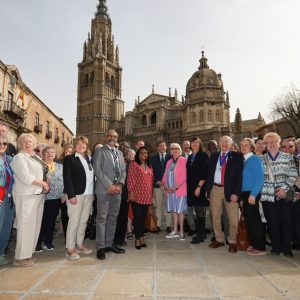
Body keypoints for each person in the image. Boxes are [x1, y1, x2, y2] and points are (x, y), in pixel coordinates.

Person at [11, 133, 50, 267]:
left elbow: (43, 172)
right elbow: (25, 177)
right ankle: (20, 257)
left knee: (34, 226)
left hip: (38, 195)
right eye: (25, 142)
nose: (28, 144)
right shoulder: (19, 157)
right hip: (26, 195)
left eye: (30, 141)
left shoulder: (35, 157)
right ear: (20, 144)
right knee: (25, 226)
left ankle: (28, 253)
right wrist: (43, 184)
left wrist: (45, 184)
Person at [261, 132, 298, 257]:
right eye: (268, 142)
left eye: (274, 142)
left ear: (279, 143)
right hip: (268, 195)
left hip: (285, 194)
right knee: (272, 222)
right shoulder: (261, 159)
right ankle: (276, 247)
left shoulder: (287, 158)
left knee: (286, 222)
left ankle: (287, 248)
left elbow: (293, 174)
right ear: (265, 145)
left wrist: (284, 189)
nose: (271, 144)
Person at [92, 130, 126, 260]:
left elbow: (123, 171)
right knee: (102, 218)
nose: (113, 138)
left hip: (117, 190)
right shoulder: (100, 151)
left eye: (115, 136)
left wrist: (120, 184)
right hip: (104, 189)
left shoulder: (120, 153)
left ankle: (109, 244)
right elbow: (97, 169)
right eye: (110, 136)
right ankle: (100, 247)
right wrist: (109, 185)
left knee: (113, 218)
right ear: (106, 138)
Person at [206, 135, 243, 253]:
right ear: (219, 143)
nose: (224, 143)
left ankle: (232, 241)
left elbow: (239, 177)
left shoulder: (237, 156)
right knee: (215, 216)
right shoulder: (214, 156)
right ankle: (219, 239)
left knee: (233, 219)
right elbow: (209, 174)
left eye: (227, 141)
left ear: (231, 144)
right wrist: (208, 191)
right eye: (222, 141)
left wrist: (236, 193)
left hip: (230, 190)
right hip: (215, 189)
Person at [63, 136, 94, 261]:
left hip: (88, 194)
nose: (82, 146)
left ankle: (80, 245)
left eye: (84, 144)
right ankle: (70, 249)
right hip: (76, 195)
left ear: (87, 146)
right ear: (75, 146)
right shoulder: (69, 159)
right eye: (79, 144)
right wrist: (71, 195)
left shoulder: (89, 159)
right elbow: (67, 178)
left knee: (83, 221)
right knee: (74, 221)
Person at [240, 138, 266, 255]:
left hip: (252, 193)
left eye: (246, 145)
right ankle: (254, 243)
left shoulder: (254, 159)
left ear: (251, 147)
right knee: (249, 220)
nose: (243, 147)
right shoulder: (245, 160)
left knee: (254, 220)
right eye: (242, 145)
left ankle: (260, 247)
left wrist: (253, 195)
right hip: (245, 194)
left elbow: (260, 178)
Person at [36, 146, 64, 252]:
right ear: (43, 154)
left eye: (52, 152)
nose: (50, 154)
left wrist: (63, 194)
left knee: (51, 221)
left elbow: (63, 181)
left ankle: (48, 242)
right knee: (40, 220)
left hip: (55, 198)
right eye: (47, 152)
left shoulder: (59, 166)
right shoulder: (39, 165)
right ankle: (38, 242)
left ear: (55, 154)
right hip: (42, 197)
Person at [128, 146, 153, 249]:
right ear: (138, 154)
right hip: (137, 196)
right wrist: (131, 193)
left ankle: (141, 236)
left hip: (147, 196)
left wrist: (151, 196)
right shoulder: (134, 164)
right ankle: (137, 239)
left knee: (143, 219)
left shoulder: (149, 166)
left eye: (146, 153)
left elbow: (151, 181)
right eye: (142, 153)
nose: (144, 155)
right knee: (137, 218)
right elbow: (130, 179)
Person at [186, 137, 209, 244]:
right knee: (196, 210)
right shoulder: (190, 156)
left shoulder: (202, 155)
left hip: (199, 187)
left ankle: (200, 236)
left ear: (200, 144)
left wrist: (199, 187)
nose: (194, 144)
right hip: (191, 187)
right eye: (193, 143)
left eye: (197, 143)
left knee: (199, 211)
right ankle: (202, 233)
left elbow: (205, 173)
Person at [163, 143, 187, 240]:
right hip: (170, 191)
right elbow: (165, 175)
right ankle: (175, 230)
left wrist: (175, 187)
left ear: (180, 150)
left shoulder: (183, 160)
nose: (175, 150)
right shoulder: (169, 162)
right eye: (172, 149)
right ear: (170, 151)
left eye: (177, 149)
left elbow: (184, 176)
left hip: (179, 190)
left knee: (180, 211)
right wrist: (165, 186)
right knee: (173, 210)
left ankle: (181, 231)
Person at [150, 140, 172, 233]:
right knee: (158, 206)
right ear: (157, 148)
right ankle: (158, 225)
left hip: (168, 186)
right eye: (160, 146)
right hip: (157, 186)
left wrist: (167, 182)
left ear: (166, 147)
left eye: (163, 146)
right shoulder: (153, 158)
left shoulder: (171, 157)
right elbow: (151, 173)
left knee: (168, 206)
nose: (162, 147)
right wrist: (156, 181)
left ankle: (168, 226)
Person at [0, 135, 14, 265]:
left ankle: (1, 253)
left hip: (8, 197)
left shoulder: (8, 159)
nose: (2, 145)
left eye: (4, 143)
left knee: (6, 226)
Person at [114, 141, 130, 247]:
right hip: (115, 192)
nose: (124, 147)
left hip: (126, 194)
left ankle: (121, 238)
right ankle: (115, 238)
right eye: (122, 146)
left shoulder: (131, 162)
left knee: (124, 217)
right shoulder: (114, 160)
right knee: (115, 217)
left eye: (126, 146)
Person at [59, 143, 73, 239]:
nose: (68, 153)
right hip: (63, 193)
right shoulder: (60, 164)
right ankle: (67, 237)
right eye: (66, 152)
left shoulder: (76, 162)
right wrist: (63, 193)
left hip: (73, 193)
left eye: (70, 152)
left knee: (73, 216)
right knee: (65, 216)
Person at [126, 148, 135, 240]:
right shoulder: (125, 164)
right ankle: (129, 230)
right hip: (128, 191)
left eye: (132, 154)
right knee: (129, 212)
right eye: (129, 154)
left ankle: (135, 229)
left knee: (136, 211)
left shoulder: (138, 164)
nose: (131, 155)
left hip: (138, 192)